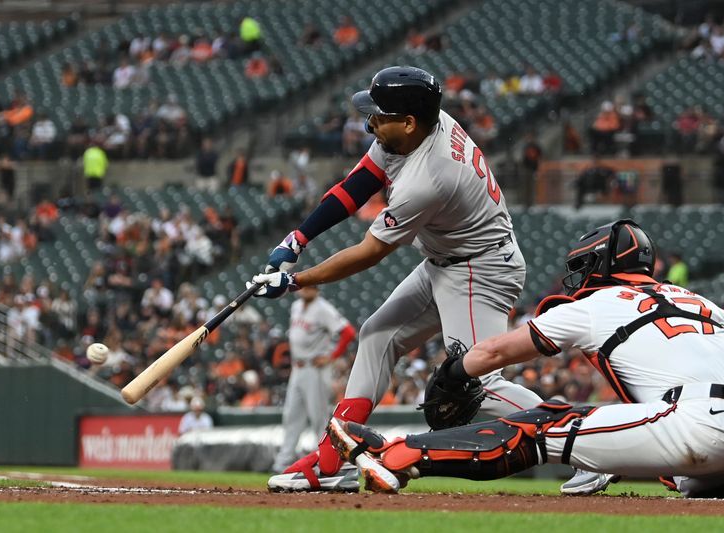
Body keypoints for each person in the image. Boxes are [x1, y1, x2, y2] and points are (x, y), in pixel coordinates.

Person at [250, 66, 607, 494]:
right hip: (446, 260)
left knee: (477, 384)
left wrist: (295, 281)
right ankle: (333, 459)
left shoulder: (429, 176)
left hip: (480, 269)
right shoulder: (417, 128)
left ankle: (591, 446)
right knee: (377, 335)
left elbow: (370, 252)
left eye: (379, 116)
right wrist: (298, 238)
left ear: (408, 122)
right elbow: (357, 183)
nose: (370, 123)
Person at [327, 220, 724, 499]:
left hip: (697, 423)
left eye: (584, 266)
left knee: (543, 423)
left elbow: (493, 351)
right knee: (686, 477)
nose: (578, 277)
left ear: (601, 265)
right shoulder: (703, 301)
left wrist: (452, 373)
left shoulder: (596, 304)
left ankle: (396, 453)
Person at [271, 286, 357, 473]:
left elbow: (349, 332)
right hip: (298, 367)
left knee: (318, 419)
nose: (306, 289)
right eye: (304, 286)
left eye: (311, 286)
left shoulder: (323, 308)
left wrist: (332, 356)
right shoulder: (296, 306)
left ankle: (326, 462)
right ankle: (282, 464)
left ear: (317, 289)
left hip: (315, 368)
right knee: (291, 416)